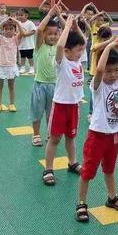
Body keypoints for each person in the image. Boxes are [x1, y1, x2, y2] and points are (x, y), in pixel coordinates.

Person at [75, 37, 118, 222]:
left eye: (116, 71)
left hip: (113, 135)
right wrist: (109, 46)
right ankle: (81, 203)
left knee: (109, 168)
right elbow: (100, 70)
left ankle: (112, 197)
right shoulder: (98, 84)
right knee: (88, 171)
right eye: (109, 71)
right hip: (97, 135)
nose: (112, 74)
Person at [43, 15, 86, 186]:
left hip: (74, 106)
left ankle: (72, 162)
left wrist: (76, 27)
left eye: (81, 51)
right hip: (60, 106)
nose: (81, 53)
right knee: (54, 139)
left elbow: (84, 42)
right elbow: (60, 45)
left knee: (71, 137)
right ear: (68, 52)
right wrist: (67, 26)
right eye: (78, 50)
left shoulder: (78, 61)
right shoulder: (62, 63)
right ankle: (48, 168)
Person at [31, 5, 61, 147]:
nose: (53, 36)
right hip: (40, 84)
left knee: (51, 113)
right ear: (44, 35)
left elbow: (67, 30)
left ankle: (49, 133)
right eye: (50, 33)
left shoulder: (59, 47)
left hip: (54, 85)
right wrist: (50, 14)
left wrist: (59, 16)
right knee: (37, 111)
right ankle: (36, 134)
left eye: (56, 34)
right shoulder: (40, 46)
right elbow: (39, 29)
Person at [0, 18, 24, 113]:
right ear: (3, 29)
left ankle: (11, 104)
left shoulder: (15, 39)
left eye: (11, 29)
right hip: (1, 65)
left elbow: (22, 33)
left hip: (11, 66)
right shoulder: (1, 39)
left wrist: (17, 22)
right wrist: (2, 22)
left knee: (11, 87)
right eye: (6, 29)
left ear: (15, 30)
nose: (8, 31)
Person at [17, 9, 36, 75]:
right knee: (22, 56)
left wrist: (25, 34)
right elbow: (17, 33)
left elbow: (33, 31)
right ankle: (22, 67)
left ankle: (32, 68)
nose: (20, 16)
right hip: (21, 44)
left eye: (21, 15)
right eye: (19, 15)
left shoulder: (30, 23)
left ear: (26, 15)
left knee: (30, 56)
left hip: (29, 45)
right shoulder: (18, 23)